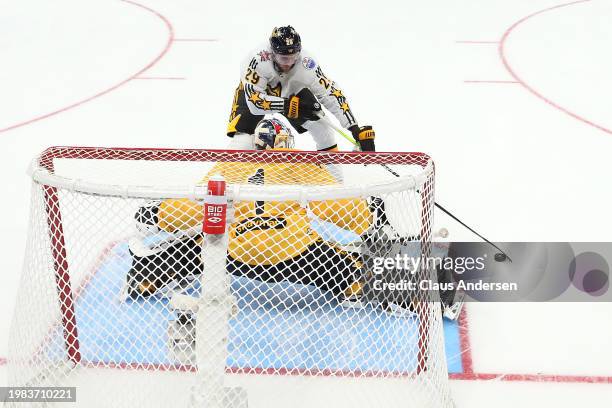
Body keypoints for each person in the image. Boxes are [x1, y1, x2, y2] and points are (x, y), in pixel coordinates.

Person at [126, 118, 393, 304]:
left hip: (235, 250)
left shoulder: (231, 166)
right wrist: (370, 216)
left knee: (189, 249)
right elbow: (337, 203)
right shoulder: (301, 165)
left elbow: (195, 206)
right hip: (293, 251)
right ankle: (356, 282)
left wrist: (158, 214)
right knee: (342, 266)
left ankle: (147, 274)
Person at [226, 25, 376, 152]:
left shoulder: (307, 64)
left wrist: (354, 128)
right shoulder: (257, 60)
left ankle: (334, 182)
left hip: (292, 92)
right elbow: (254, 103)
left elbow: (331, 93)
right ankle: (231, 179)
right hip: (257, 94)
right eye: (283, 58)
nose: (288, 63)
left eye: (293, 57)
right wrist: (286, 104)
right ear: (272, 53)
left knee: (324, 130)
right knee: (243, 139)